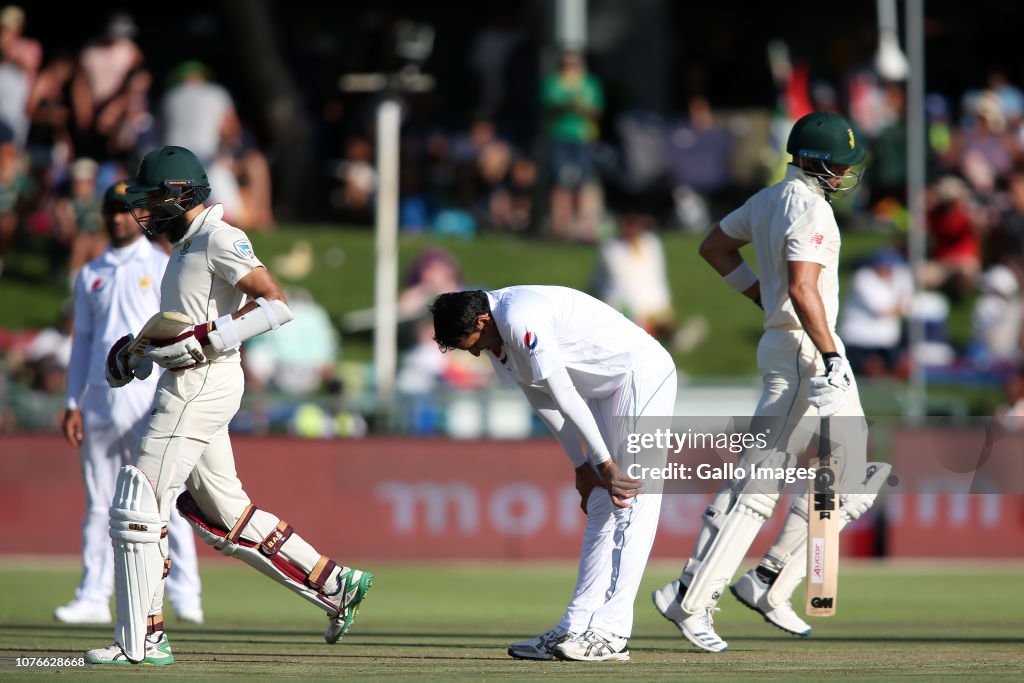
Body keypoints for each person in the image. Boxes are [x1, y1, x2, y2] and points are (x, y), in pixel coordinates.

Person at [85, 146, 372, 666]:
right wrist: (138, 352)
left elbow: (275, 304)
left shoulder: (219, 236)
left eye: (152, 197)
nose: (143, 209)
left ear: (180, 194)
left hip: (202, 382)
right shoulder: (185, 245)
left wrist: (205, 340)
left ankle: (143, 640)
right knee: (224, 512)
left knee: (138, 501)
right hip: (188, 381)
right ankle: (335, 584)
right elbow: (182, 323)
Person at [652, 111, 888, 652]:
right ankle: (689, 597)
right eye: (840, 164)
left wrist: (762, 297)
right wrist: (830, 356)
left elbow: (714, 247)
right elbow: (804, 289)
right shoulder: (811, 208)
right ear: (814, 161)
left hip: (798, 345)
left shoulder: (766, 200)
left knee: (852, 479)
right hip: (808, 353)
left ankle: (768, 580)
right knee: (758, 481)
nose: (846, 174)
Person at [429, 286, 677, 662]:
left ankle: (611, 633)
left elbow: (561, 391)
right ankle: (575, 628)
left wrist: (606, 464)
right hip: (597, 389)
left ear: (481, 320)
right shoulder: (495, 332)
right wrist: (582, 466)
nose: (475, 351)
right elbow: (539, 396)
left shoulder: (518, 318)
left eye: (470, 342)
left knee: (630, 497)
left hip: (637, 373)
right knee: (600, 502)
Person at [57, 181, 203, 626]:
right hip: (100, 402)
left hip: (147, 398)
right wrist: (71, 401)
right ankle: (93, 595)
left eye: (126, 209)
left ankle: (185, 594)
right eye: (112, 210)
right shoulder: (91, 273)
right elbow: (82, 341)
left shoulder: (162, 264)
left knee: (164, 498)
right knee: (100, 501)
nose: (119, 217)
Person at [541, 49, 604, 242]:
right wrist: (570, 102)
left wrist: (580, 105)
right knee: (562, 183)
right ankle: (563, 230)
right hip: (560, 137)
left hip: (583, 137)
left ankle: (587, 230)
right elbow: (550, 107)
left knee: (586, 183)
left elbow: (596, 110)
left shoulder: (589, 83)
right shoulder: (553, 82)